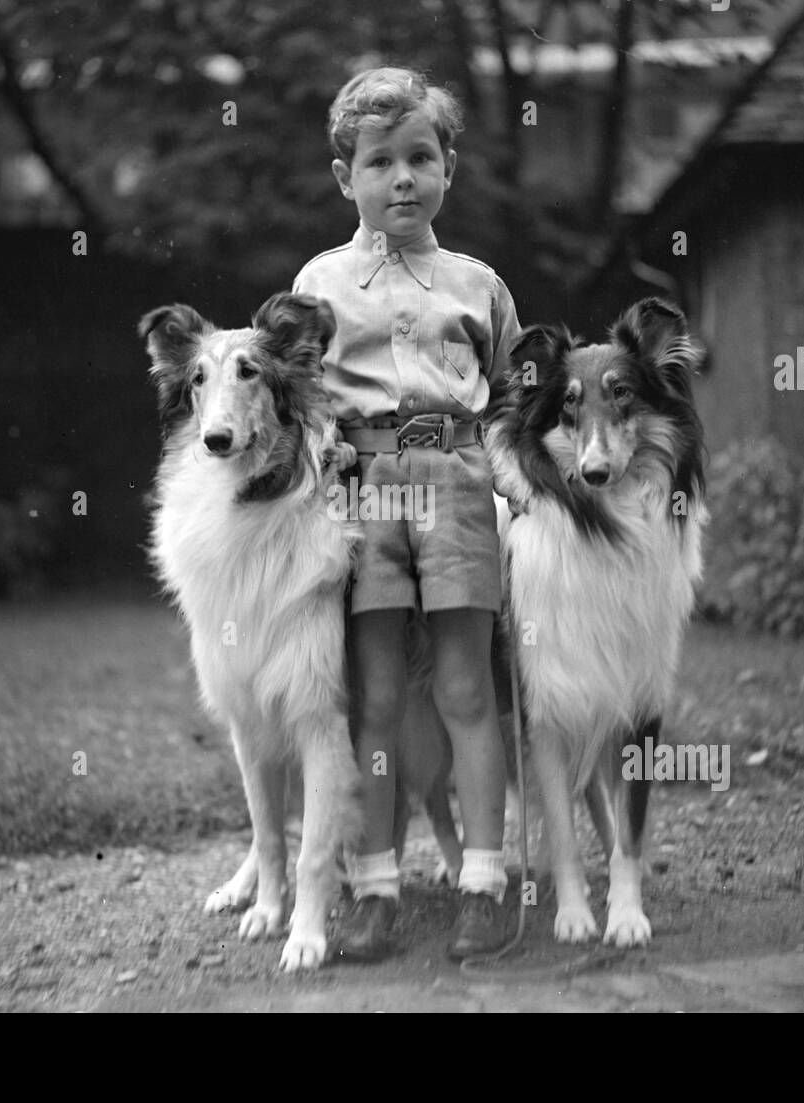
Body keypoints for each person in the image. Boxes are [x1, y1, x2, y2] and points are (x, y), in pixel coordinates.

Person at [292, 66, 521, 961]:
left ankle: (485, 881)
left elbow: (509, 400)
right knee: (376, 697)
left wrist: (518, 484)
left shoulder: (477, 284)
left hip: (458, 479)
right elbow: (300, 396)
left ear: (448, 168)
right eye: (379, 161)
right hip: (364, 485)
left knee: (468, 688)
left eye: (420, 157)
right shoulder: (319, 283)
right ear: (345, 176)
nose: (402, 178)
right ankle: (376, 886)